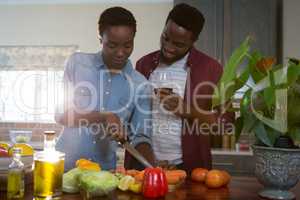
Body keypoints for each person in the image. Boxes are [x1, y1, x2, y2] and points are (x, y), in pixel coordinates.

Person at [128, 3, 234, 173]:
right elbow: (133, 117)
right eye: (165, 37)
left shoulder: (211, 68)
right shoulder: (144, 64)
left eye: (178, 44)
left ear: (193, 41)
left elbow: (226, 124)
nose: (168, 48)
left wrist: (189, 111)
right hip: (145, 163)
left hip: (189, 167)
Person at [55, 6, 154, 171]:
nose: (121, 53)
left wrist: (153, 168)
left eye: (128, 46)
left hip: (104, 175)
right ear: (100, 38)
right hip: (64, 168)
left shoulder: (141, 84)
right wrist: (103, 117)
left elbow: (141, 137)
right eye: (112, 45)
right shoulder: (77, 63)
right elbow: (61, 115)